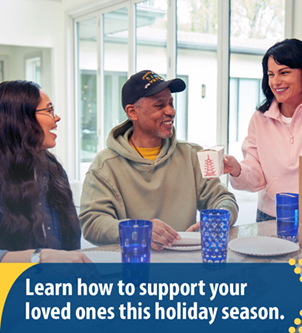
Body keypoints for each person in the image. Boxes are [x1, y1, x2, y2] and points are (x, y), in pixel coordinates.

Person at [79, 70, 238, 250]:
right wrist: (137, 231)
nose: (171, 111)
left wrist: (218, 218)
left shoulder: (192, 154)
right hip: (135, 264)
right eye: (159, 105)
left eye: (171, 103)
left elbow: (224, 199)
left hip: (186, 261)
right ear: (132, 112)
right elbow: (92, 223)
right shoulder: (105, 165)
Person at [224, 38, 302, 221]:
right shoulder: (260, 119)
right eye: (271, 74)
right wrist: (236, 169)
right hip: (271, 216)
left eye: (284, 72)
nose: (275, 82)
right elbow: (256, 177)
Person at [0, 80, 90, 263]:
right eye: (49, 110)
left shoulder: (52, 169)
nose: (56, 118)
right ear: (20, 119)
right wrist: (38, 258)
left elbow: (70, 245)